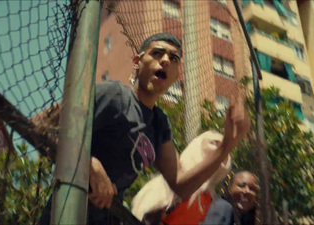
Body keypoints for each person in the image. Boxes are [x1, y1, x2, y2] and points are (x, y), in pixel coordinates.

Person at [39, 33, 251, 224]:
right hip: (67, 210)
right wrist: (89, 164)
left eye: (173, 58)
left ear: (177, 75)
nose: (166, 60)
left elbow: (181, 185)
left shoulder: (160, 124)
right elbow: (43, 125)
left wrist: (226, 146)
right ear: (137, 61)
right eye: (157, 53)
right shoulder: (114, 96)